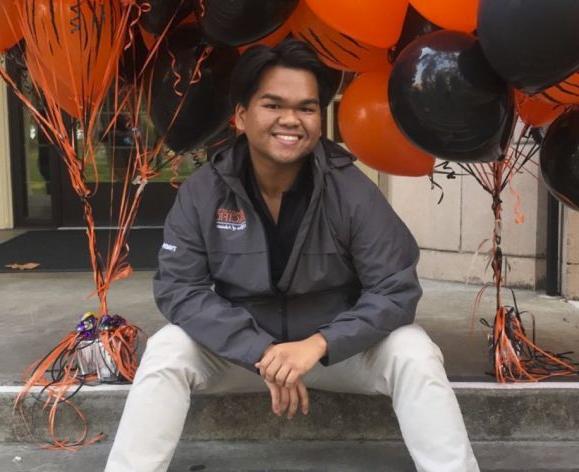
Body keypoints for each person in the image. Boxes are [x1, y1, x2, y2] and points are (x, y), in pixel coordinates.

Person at [105, 39, 480, 472]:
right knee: (168, 349)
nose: (291, 120)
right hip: (243, 356)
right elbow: (178, 288)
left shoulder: (351, 190)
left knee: (414, 351)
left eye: (306, 107)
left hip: (337, 354)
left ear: (320, 119)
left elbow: (395, 289)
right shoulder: (203, 191)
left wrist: (320, 345)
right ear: (241, 116)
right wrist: (261, 350)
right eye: (273, 104)